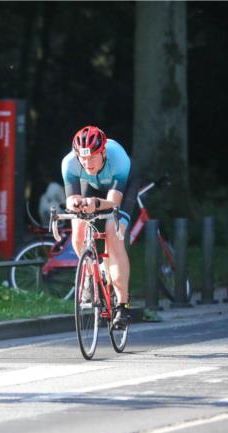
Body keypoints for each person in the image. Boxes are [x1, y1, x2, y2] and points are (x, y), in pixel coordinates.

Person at [60, 125, 133, 329]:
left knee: (112, 234)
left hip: (119, 189)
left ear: (103, 152)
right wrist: (74, 204)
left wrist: (96, 203)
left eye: (92, 157)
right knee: (78, 229)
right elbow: (71, 198)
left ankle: (122, 305)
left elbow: (113, 202)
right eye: (83, 158)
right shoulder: (70, 164)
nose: (87, 162)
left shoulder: (119, 159)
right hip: (90, 185)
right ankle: (93, 274)